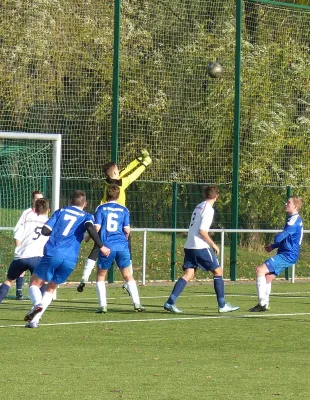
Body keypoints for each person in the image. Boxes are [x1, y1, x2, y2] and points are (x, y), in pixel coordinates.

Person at [24, 190, 110, 328]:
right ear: (85, 204)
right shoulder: (87, 216)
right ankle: (34, 320)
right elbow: (90, 228)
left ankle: (37, 305)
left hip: (53, 253)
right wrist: (101, 246)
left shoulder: (60, 212)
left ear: (70, 201)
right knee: (51, 288)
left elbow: (45, 231)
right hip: (70, 259)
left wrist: (57, 230)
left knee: (34, 283)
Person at [77, 149, 152, 293]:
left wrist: (138, 159)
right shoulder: (121, 184)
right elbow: (133, 175)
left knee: (97, 247)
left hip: (104, 218)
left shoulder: (109, 183)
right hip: (119, 222)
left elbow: (125, 171)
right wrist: (145, 164)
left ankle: (85, 277)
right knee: (126, 252)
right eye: (118, 169)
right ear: (115, 173)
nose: (120, 169)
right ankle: (128, 282)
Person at [164, 185, 239, 314]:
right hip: (200, 246)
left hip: (189, 246)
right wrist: (213, 244)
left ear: (205, 195)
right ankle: (222, 305)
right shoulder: (209, 210)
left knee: (189, 274)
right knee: (218, 271)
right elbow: (202, 231)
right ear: (217, 196)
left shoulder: (199, 206)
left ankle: (170, 302)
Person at [93, 184, 145, 313]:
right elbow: (127, 230)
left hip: (107, 246)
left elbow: (97, 228)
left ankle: (103, 306)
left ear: (106, 194)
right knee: (128, 275)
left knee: (101, 276)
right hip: (122, 246)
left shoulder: (101, 208)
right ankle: (137, 303)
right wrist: (124, 240)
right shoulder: (124, 209)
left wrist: (89, 237)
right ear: (118, 195)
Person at [249, 196, 303, 312]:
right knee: (267, 278)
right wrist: (273, 246)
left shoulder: (294, 221)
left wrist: (277, 236)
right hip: (288, 254)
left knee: (260, 270)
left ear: (295, 206)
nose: (286, 204)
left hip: (287, 255)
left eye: (288, 202)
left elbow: (281, 237)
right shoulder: (292, 219)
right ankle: (265, 304)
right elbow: (287, 239)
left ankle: (262, 303)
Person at [0, 198, 49, 304]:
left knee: (8, 281)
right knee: (41, 282)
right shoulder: (48, 222)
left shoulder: (27, 216)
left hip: (21, 256)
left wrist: (18, 249)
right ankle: (39, 307)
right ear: (48, 209)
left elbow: (18, 233)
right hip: (37, 257)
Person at [13, 190, 44, 299]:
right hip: (26, 248)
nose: (38, 201)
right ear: (32, 200)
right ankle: (19, 293)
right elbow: (18, 231)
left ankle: (41, 297)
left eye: (41, 199)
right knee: (20, 271)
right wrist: (18, 247)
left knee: (38, 274)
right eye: (36, 199)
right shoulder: (27, 213)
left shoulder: (45, 214)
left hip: (38, 251)